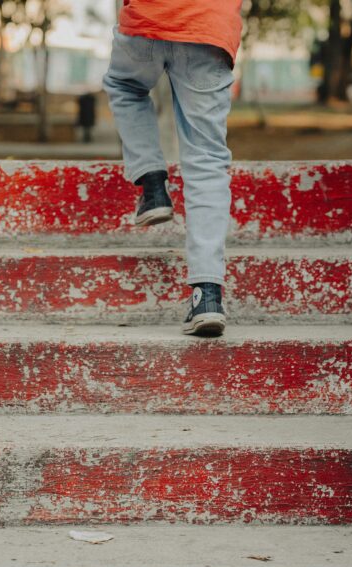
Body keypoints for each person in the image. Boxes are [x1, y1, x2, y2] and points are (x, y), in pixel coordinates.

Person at [103, 0, 242, 337]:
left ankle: (152, 185)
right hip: (209, 27)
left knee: (124, 87)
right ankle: (206, 297)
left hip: (147, 21)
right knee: (207, 160)